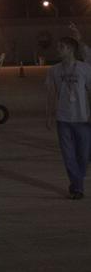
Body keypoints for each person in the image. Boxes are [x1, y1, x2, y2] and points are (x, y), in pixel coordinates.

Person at [45, 34, 91, 199]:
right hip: (63, 119)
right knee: (68, 155)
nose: (58, 50)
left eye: (61, 47)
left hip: (83, 119)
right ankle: (78, 188)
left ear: (70, 49)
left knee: (84, 156)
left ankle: (76, 183)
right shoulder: (54, 70)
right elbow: (51, 94)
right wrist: (49, 115)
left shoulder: (85, 68)